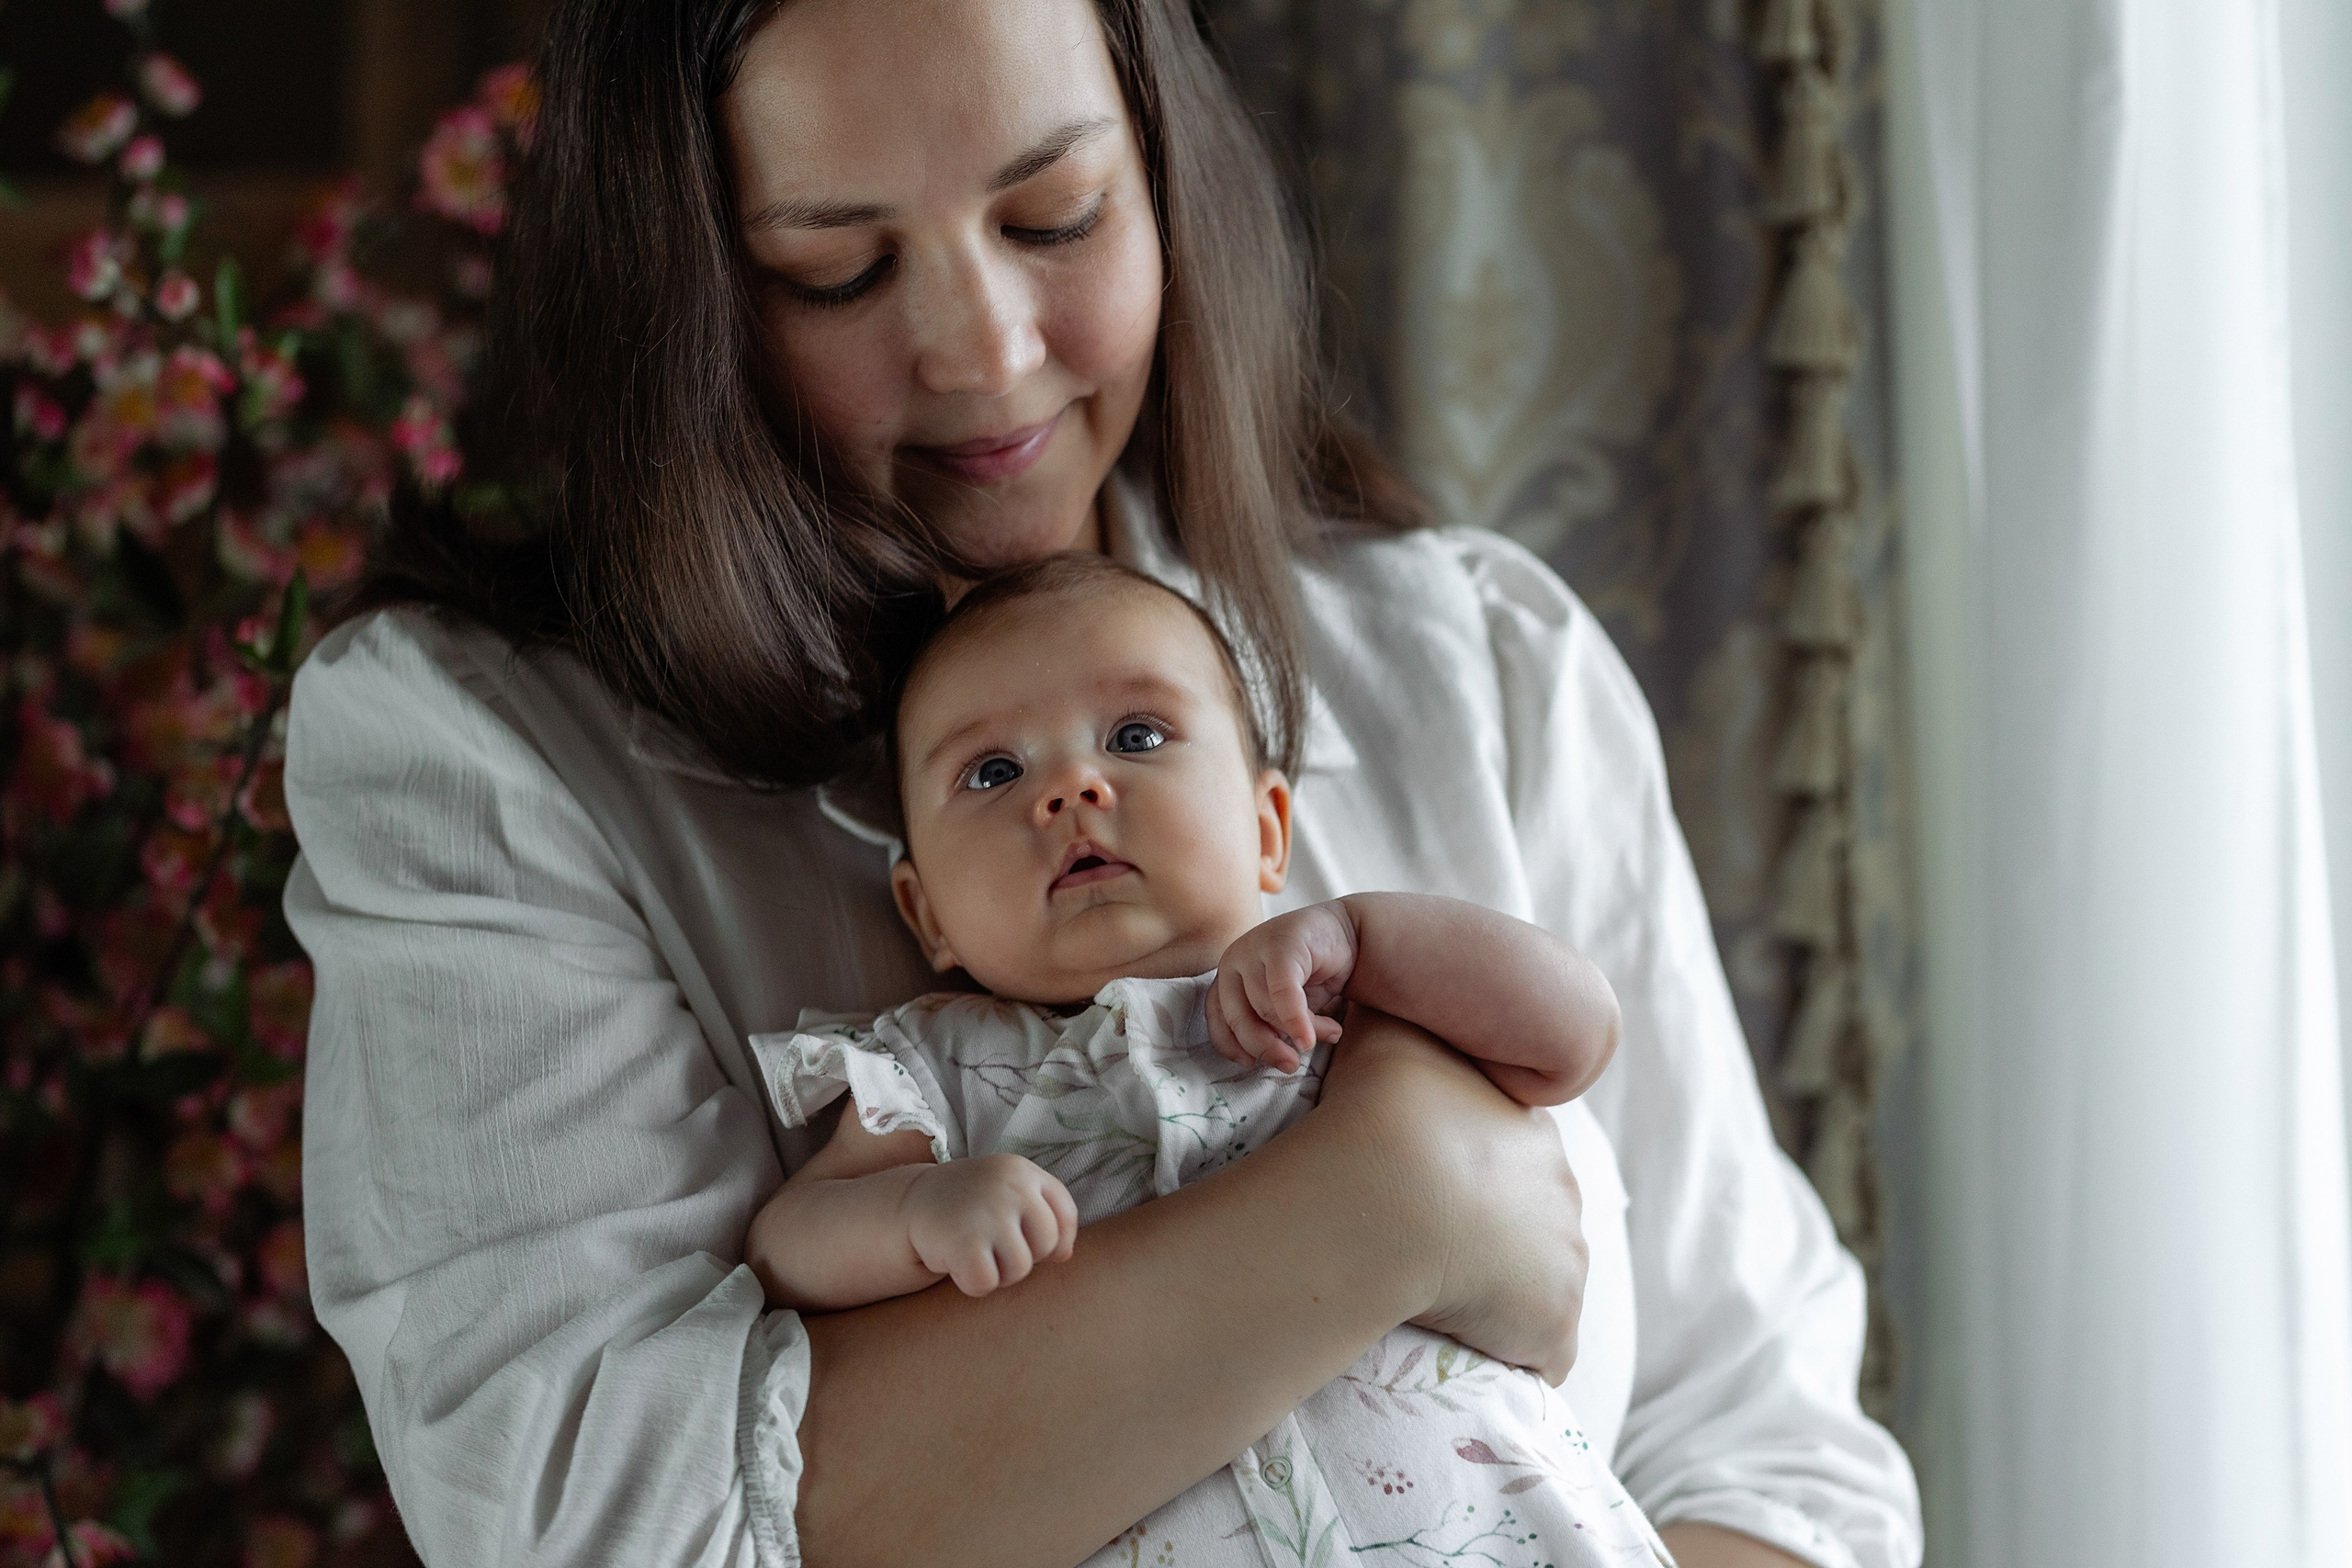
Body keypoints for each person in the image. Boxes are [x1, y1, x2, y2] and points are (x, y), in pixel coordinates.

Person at [284, 0, 1924, 1564]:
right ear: (685, 299)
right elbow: (597, 1522)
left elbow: (1778, 1452)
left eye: (1056, 216)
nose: (988, 356)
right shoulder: (478, 753)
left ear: (1162, 177)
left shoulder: (1474, 660)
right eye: (841, 270)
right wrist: (1395, 1196)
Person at [743, 554, 1669, 1565]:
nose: (1071, 788)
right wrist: (916, 1215)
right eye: (993, 772)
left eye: (1135, 737)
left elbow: (1574, 1036)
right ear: (927, 917)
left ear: (1268, 828)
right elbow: (788, 1246)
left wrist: (1366, 938)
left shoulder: (1342, 997)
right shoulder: (934, 1065)